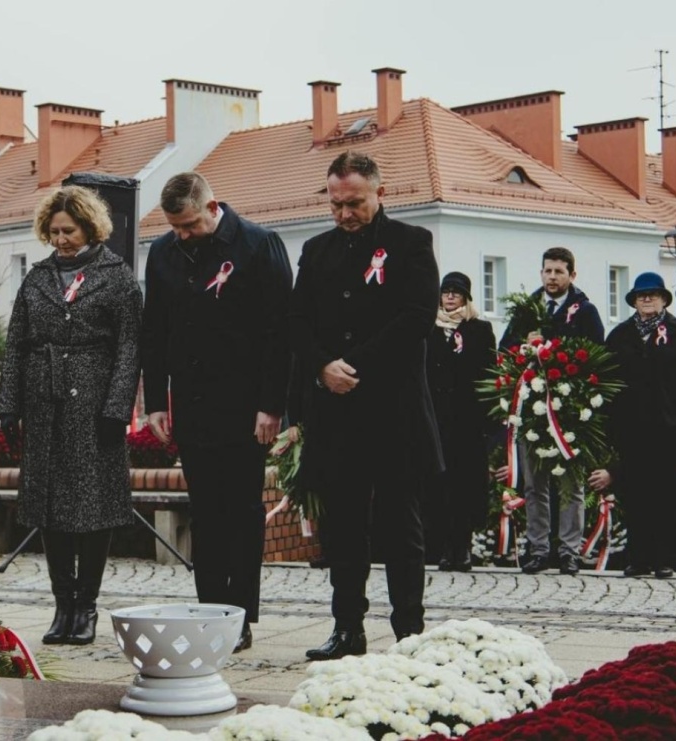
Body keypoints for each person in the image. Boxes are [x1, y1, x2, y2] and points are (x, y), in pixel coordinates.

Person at [288, 151, 441, 660]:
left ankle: (409, 632)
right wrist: (321, 367)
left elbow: (416, 318)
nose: (344, 213)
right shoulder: (317, 250)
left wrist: (352, 365)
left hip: (392, 408)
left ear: (380, 192)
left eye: (354, 203)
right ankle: (347, 627)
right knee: (344, 528)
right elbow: (298, 323)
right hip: (335, 412)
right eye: (336, 204)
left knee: (401, 526)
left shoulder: (411, 244)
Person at [141, 172, 292, 653]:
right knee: (205, 513)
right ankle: (210, 612)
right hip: (192, 403)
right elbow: (155, 331)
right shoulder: (164, 252)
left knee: (242, 512)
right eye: (175, 227)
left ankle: (240, 616)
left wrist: (272, 405)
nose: (182, 235)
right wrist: (153, 402)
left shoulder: (258, 245)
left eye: (189, 226)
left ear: (212, 207)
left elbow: (279, 334)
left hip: (246, 406)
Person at [0, 185, 142, 646]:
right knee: (49, 509)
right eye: (54, 231)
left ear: (89, 227)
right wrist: (8, 405)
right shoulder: (37, 278)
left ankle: (87, 607)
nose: (61, 240)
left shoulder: (116, 276)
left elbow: (129, 346)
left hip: (95, 404)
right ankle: (62, 605)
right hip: (44, 404)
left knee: (92, 509)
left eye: (69, 231)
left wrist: (117, 407)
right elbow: (15, 342)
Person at [588, 272, 676, 579]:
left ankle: (664, 558)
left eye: (652, 295)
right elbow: (606, 381)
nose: (646, 300)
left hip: (669, 430)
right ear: (634, 301)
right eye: (641, 296)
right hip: (632, 430)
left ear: (664, 299)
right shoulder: (620, 336)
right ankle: (638, 558)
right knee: (635, 494)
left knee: (667, 496)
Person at [500, 247, 604, 576]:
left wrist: (558, 350)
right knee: (534, 484)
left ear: (572, 275)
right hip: (532, 409)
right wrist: (524, 347)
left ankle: (570, 551)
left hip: (569, 411)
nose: (552, 277)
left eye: (559, 272)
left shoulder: (584, 311)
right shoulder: (527, 310)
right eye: (547, 271)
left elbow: (597, 354)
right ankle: (538, 548)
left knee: (572, 485)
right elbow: (505, 350)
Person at [424, 272, 497, 572]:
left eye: (457, 292)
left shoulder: (479, 329)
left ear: (467, 297)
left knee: (465, 485)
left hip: (467, 420)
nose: (451, 297)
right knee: (439, 485)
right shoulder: (429, 328)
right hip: (437, 420)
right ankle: (443, 548)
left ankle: (463, 547)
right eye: (446, 292)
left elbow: (489, 374)